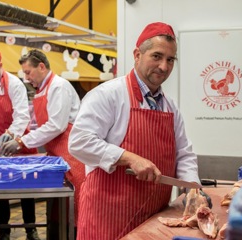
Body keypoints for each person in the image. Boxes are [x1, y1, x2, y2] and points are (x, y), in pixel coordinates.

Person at [68, 22, 210, 239]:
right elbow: (79, 142)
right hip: (107, 218)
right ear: (137, 55)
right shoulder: (108, 95)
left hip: (153, 218)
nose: (164, 66)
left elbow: (184, 152)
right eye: (157, 56)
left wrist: (192, 188)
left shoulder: (170, 106)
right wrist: (128, 157)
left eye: (170, 60)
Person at [0, 49, 86, 238]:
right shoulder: (42, 91)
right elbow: (40, 124)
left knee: (75, 211)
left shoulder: (58, 87)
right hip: (58, 156)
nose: (27, 78)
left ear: (41, 66)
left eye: (28, 72)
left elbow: (56, 125)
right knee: (59, 210)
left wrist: (21, 142)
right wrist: (13, 134)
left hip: (73, 156)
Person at [0, 49, 40, 240]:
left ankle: (31, 230)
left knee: (25, 186)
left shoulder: (15, 84)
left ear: (0, 66)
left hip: (19, 140)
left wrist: (11, 134)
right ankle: (4, 231)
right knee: (1, 186)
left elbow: (22, 116)